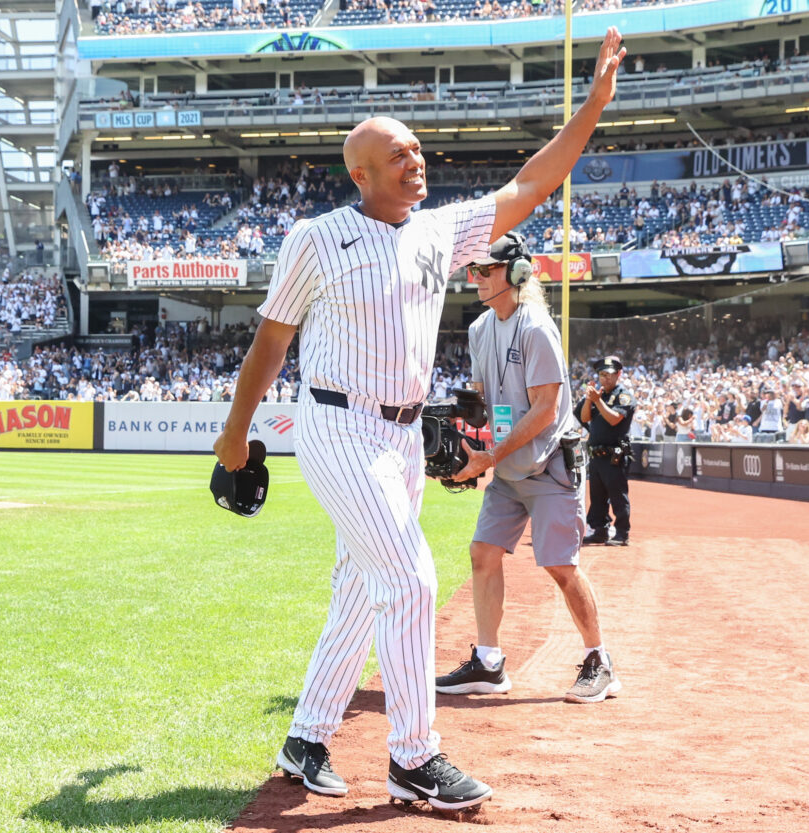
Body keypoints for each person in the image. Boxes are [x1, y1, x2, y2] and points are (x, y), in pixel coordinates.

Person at [212, 28, 627, 812]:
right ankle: (414, 756)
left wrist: (593, 105)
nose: (416, 159)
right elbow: (272, 338)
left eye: (417, 149)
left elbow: (532, 184)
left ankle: (306, 738)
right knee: (410, 578)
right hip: (337, 425)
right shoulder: (317, 238)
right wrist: (235, 437)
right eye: (398, 153)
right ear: (360, 173)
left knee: (359, 587)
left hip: (403, 434)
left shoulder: (442, 230)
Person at [433, 231, 621, 705]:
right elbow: (481, 401)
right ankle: (489, 663)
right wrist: (461, 433)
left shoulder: (537, 327)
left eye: (485, 270)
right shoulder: (479, 330)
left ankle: (600, 660)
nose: (475, 279)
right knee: (483, 553)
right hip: (508, 467)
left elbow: (544, 409)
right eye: (473, 270)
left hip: (549, 466)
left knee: (560, 565)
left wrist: (488, 457)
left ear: (516, 274)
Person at [578, 354, 635, 546]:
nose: (606, 378)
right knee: (597, 498)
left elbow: (614, 419)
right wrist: (589, 400)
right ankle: (599, 530)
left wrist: (598, 401)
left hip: (614, 456)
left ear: (618, 374)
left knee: (618, 496)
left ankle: (621, 533)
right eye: (602, 374)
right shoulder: (597, 394)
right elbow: (585, 418)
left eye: (609, 374)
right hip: (596, 455)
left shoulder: (623, 395)